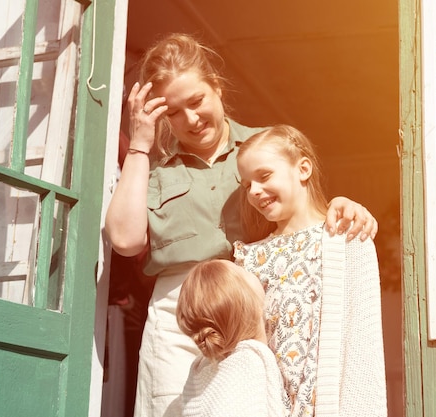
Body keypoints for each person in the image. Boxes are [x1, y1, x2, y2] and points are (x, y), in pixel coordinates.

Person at [104, 33, 379, 417]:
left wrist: (341, 204)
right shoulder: (154, 169)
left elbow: (303, 204)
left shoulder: (263, 148)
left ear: (216, 87)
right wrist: (139, 145)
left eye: (196, 101)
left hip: (254, 309)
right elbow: (125, 239)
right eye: (173, 112)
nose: (190, 119)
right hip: (178, 319)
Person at [234, 124, 388, 417]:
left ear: (303, 169)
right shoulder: (249, 259)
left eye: (264, 176)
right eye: (246, 185)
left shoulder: (348, 241)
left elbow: (363, 346)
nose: (254, 191)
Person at [176, 259, 289, 417]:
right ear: (247, 304)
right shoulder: (247, 364)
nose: (250, 270)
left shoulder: (204, 370)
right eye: (242, 271)